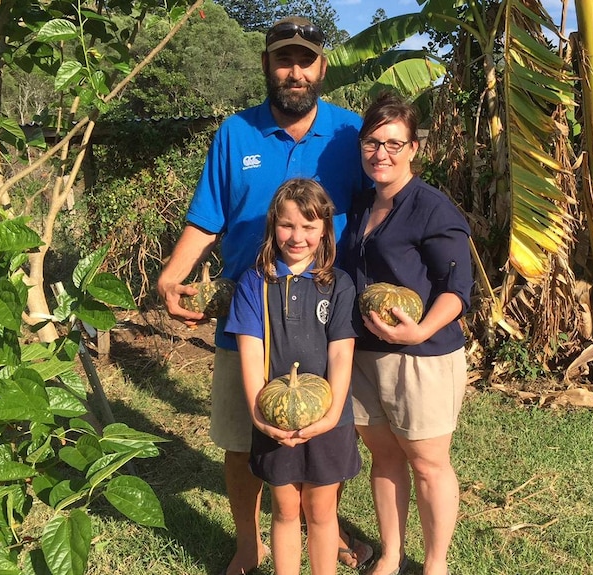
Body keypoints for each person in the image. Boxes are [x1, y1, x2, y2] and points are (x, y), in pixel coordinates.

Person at [156, 16, 372, 575]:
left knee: (326, 437)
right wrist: (171, 275)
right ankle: (251, 545)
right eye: (283, 59)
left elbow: (383, 209)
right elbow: (208, 218)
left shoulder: (350, 135)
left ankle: (322, 528)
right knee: (240, 437)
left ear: (322, 67)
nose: (294, 71)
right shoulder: (236, 133)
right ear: (267, 66)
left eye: (305, 60)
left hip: (327, 313)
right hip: (247, 311)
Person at [341, 93, 474, 575]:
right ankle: (392, 555)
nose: (382, 153)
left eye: (394, 143)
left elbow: (457, 289)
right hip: (364, 355)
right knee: (384, 458)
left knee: (427, 462)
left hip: (421, 357)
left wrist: (418, 331)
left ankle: (435, 564)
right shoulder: (360, 205)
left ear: (414, 147)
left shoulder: (432, 208)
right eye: (373, 142)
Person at [227, 179, 361, 575]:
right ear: (273, 226)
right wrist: (258, 414)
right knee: (285, 509)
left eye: (308, 227)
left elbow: (341, 353)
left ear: (324, 230)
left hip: (329, 419)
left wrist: (332, 414)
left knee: (321, 510)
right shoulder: (255, 283)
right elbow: (250, 353)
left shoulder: (339, 284)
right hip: (274, 418)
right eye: (287, 226)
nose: (297, 236)